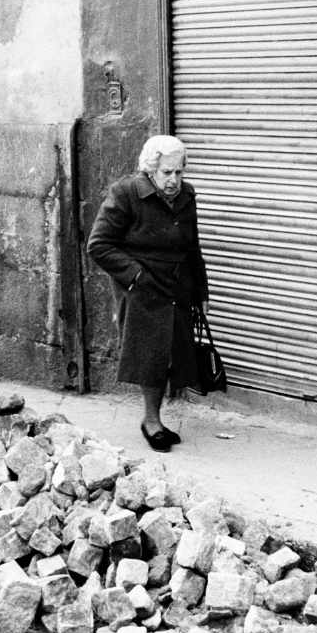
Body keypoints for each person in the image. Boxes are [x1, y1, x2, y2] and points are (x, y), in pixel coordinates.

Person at [86, 134, 209, 450]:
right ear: (152, 169)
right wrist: (136, 276)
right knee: (151, 357)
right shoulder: (126, 193)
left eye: (179, 172)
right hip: (143, 289)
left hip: (177, 286)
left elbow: (192, 246)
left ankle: (157, 419)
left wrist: (201, 291)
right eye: (167, 173)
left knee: (171, 355)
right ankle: (151, 421)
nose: (174, 180)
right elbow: (98, 245)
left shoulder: (187, 196)